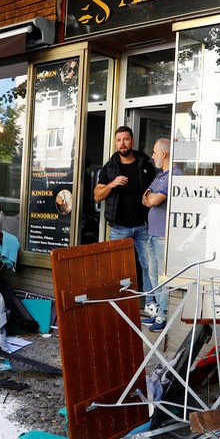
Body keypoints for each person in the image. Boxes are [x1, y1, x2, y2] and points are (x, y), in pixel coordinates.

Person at [93, 126, 157, 316]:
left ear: (132, 141)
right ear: (115, 143)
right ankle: (118, 302)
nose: (122, 143)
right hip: (120, 227)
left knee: (148, 265)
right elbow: (97, 195)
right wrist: (112, 184)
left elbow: (156, 187)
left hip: (143, 226)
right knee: (116, 267)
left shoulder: (145, 163)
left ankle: (150, 301)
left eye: (126, 139)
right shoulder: (110, 167)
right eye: (119, 140)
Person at [140, 138, 175, 332]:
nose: (152, 156)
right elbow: (146, 196)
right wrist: (149, 197)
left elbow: (153, 199)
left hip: (163, 236)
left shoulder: (173, 176)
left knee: (163, 279)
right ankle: (157, 314)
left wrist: (150, 198)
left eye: (154, 152)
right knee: (154, 277)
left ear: (163, 154)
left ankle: (162, 317)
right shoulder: (161, 176)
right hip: (152, 234)